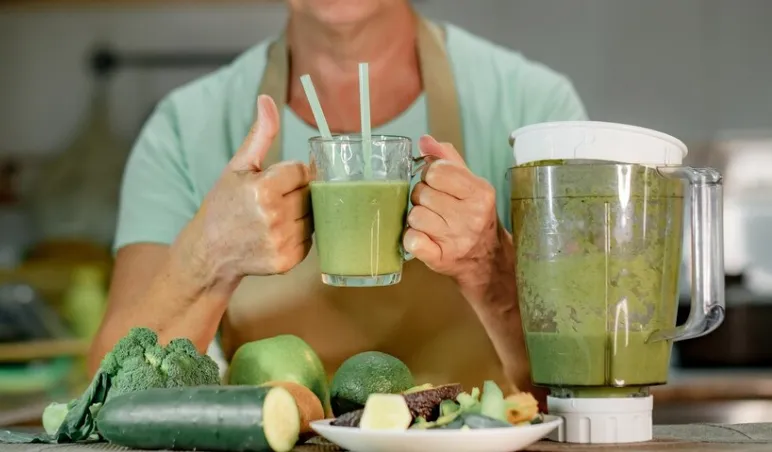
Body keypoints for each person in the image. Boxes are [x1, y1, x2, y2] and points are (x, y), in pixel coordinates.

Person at [91, 0, 587, 402]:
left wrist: (491, 268)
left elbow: (590, 389)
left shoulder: (537, 112)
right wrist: (209, 256)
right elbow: (105, 401)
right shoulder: (183, 128)